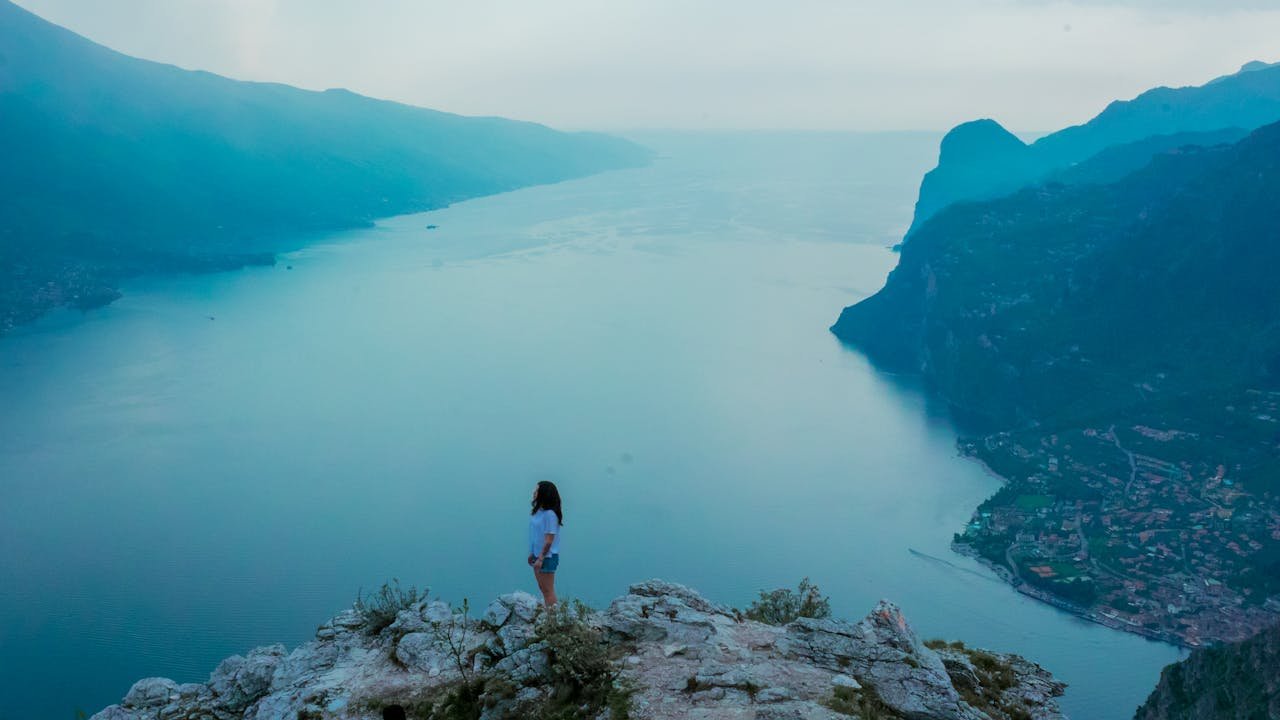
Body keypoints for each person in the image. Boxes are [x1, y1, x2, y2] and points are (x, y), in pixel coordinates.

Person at [528, 480, 562, 607]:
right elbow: (537, 535)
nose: (534, 492)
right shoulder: (539, 512)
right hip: (538, 555)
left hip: (547, 557)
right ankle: (550, 615)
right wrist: (532, 553)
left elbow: (549, 540)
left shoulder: (550, 514)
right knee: (543, 589)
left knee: (548, 590)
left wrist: (541, 558)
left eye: (536, 490)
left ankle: (553, 619)